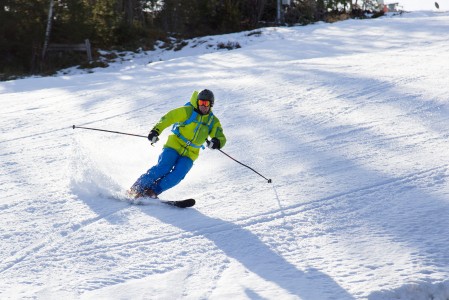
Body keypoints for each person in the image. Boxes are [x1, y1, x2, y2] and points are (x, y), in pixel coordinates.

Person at [128, 89, 226, 198]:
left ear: (210, 105)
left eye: (206, 103)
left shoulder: (212, 121)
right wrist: (155, 131)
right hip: (174, 145)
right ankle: (137, 188)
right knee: (164, 167)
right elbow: (169, 118)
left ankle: (152, 192)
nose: (203, 106)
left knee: (178, 175)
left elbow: (219, 135)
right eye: (201, 102)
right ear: (197, 102)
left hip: (190, 153)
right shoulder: (188, 111)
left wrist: (216, 141)